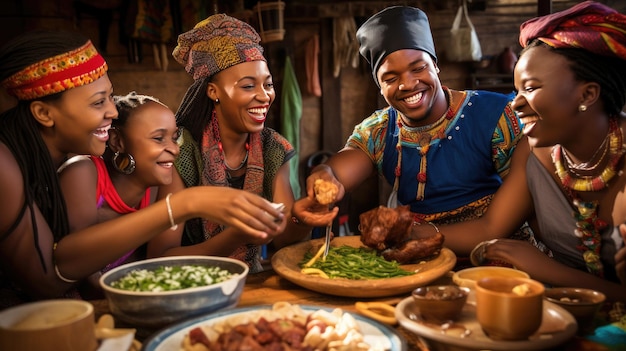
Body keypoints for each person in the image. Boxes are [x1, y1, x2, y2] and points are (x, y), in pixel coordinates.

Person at [0, 30, 286, 308]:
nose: (112, 113)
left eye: (110, 98)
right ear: (43, 113)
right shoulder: (6, 163)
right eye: (98, 102)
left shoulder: (41, 161)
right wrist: (183, 205)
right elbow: (48, 277)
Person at [292, 6, 539, 266]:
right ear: (380, 85)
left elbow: (494, 227)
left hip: (498, 263)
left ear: (435, 65)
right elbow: (336, 172)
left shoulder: (497, 116)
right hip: (420, 264)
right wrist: (323, 175)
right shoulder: (378, 131)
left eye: (418, 68)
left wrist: (412, 232)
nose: (408, 84)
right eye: (390, 77)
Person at [414, 1, 626, 304]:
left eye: (531, 88)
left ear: (588, 94)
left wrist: (548, 269)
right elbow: (490, 228)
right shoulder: (535, 152)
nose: (515, 103)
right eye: (517, 90)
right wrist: (410, 233)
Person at [147, 14, 320, 273]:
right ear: (213, 91)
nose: (264, 96)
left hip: (249, 281)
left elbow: (284, 237)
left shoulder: (273, 148)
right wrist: (235, 237)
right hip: (187, 287)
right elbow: (161, 258)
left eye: (268, 84)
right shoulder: (180, 153)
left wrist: (302, 218)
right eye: (248, 86)